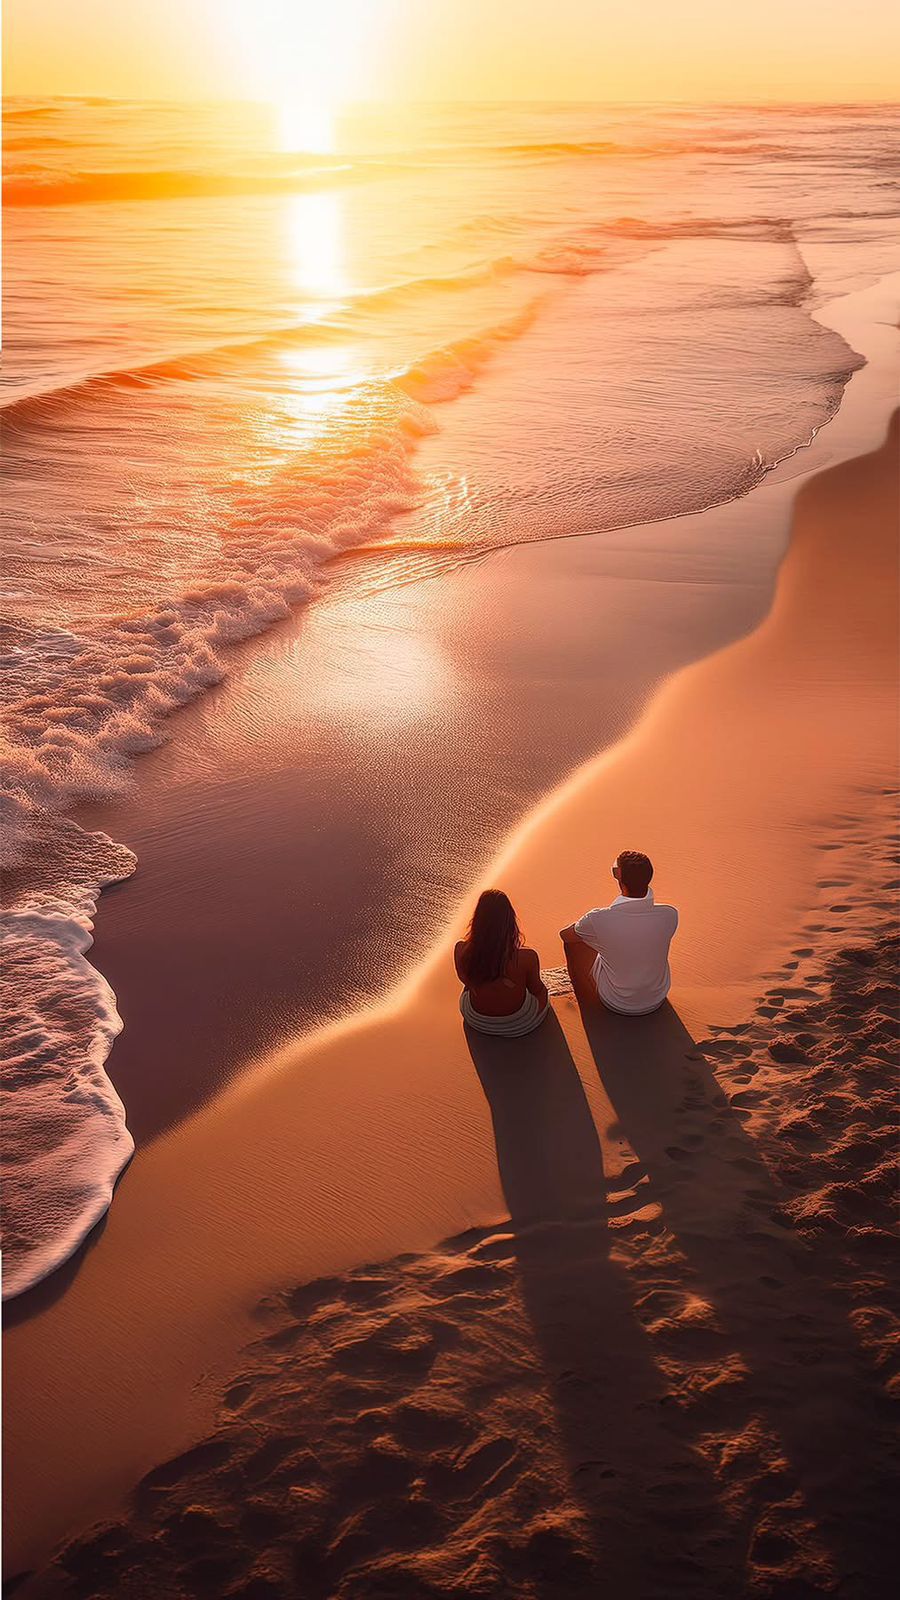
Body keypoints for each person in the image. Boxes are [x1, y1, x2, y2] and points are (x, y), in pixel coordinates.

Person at [559, 850, 678, 1015]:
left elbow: (564, 935)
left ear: (619, 876)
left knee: (574, 942)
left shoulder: (599, 918)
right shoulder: (670, 914)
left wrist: (581, 925)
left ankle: (584, 997)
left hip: (617, 1002)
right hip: (657, 998)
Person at [455, 889, 550, 1036]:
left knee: (473, 982)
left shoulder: (461, 949)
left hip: (476, 1019)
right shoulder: (526, 957)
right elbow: (537, 989)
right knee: (543, 992)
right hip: (520, 1024)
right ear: (510, 921)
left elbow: (466, 981)